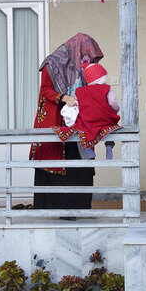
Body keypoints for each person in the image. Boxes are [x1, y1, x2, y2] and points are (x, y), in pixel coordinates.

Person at [29, 33, 104, 217]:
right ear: (78, 49)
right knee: (57, 164)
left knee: (79, 164)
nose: (88, 60)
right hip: (55, 119)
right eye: (87, 56)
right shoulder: (52, 64)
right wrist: (65, 98)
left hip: (78, 122)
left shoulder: (83, 67)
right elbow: (45, 90)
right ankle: (54, 210)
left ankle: (79, 208)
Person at [53, 62, 121, 159]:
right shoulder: (107, 88)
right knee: (111, 128)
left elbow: (78, 105)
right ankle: (109, 145)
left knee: (81, 130)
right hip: (105, 120)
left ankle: (88, 150)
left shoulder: (80, 91)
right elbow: (113, 102)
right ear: (102, 76)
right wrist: (114, 111)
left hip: (87, 121)